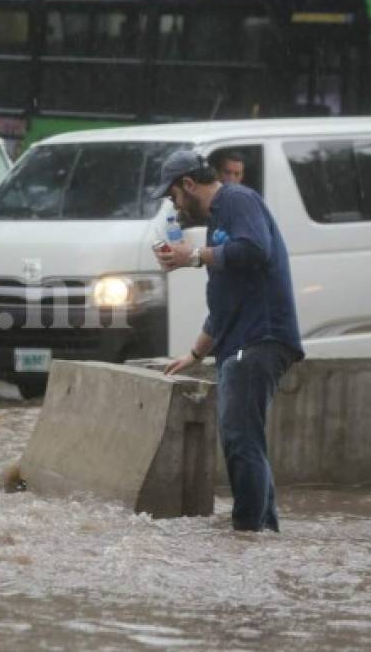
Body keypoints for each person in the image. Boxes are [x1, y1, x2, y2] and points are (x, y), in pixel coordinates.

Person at [153, 150, 303, 532]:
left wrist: (195, 257)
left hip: (260, 337)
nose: (174, 206)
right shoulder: (218, 220)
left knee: (240, 438)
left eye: (173, 197)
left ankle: (247, 534)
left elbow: (256, 249)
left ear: (189, 184)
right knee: (243, 438)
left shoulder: (237, 200)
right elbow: (224, 306)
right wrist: (194, 353)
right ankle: (263, 530)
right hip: (240, 338)